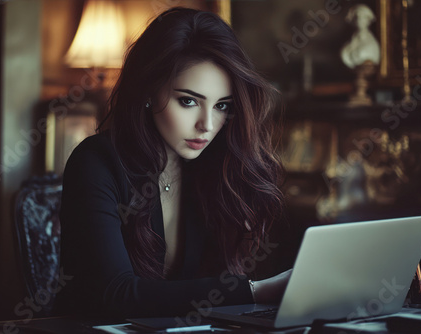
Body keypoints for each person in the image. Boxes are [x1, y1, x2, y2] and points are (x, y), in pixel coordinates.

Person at [55, 7, 293, 319]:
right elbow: (116, 293)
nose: (207, 124)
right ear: (149, 91)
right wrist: (255, 290)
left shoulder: (211, 168)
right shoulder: (96, 162)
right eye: (189, 101)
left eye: (222, 106)